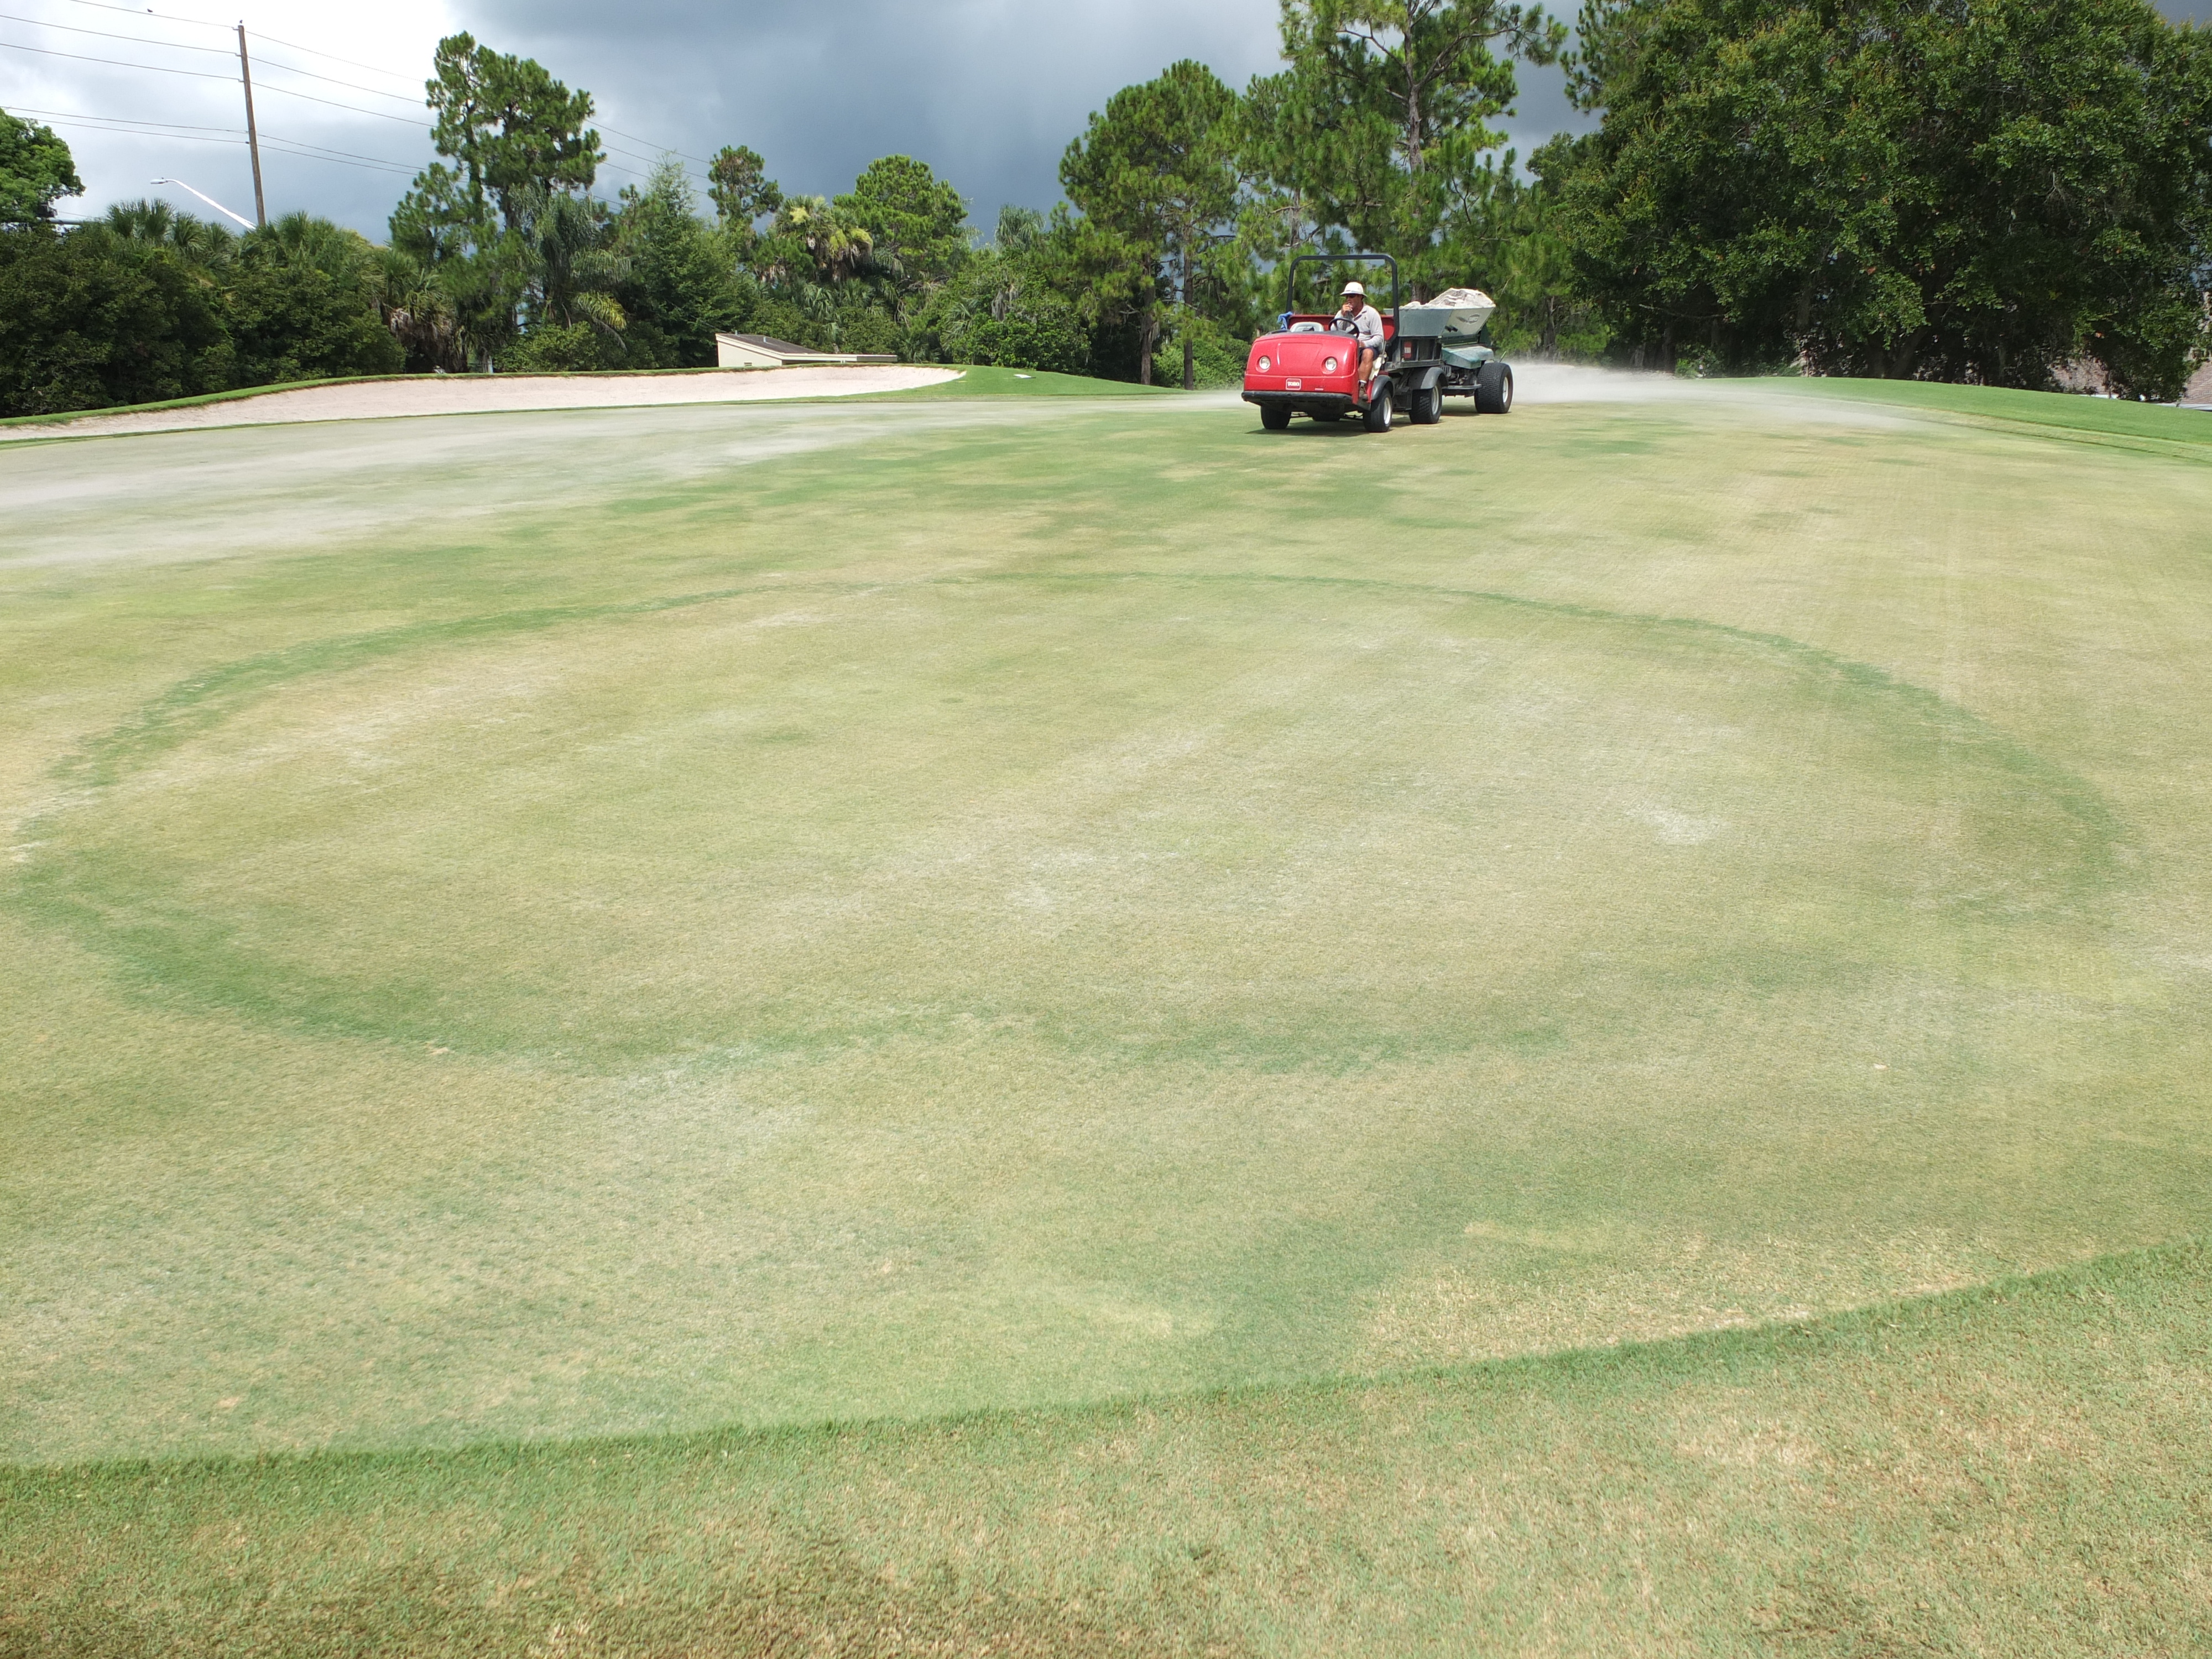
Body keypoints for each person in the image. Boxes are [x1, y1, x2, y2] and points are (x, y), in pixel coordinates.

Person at [1332, 280, 1386, 401]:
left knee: (1368, 353)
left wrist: (1364, 344)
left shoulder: (1371, 314)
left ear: (1360, 297)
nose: (1348, 299)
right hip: (1347, 348)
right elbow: (1333, 330)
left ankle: (1361, 387)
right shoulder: (1343, 314)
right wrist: (1342, 314)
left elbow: (1379, 337)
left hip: (1366, 347)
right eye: (1347, 297)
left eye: (1352, 296)